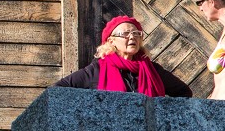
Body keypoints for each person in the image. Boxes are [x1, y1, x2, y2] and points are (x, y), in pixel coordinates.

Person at [53, 15, 192, 97]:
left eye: (136, 33)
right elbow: (58, 90)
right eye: (125, 34)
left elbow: (184, 92)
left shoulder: (153, 70)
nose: (132, 37)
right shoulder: (96, 70)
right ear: (110, 41)